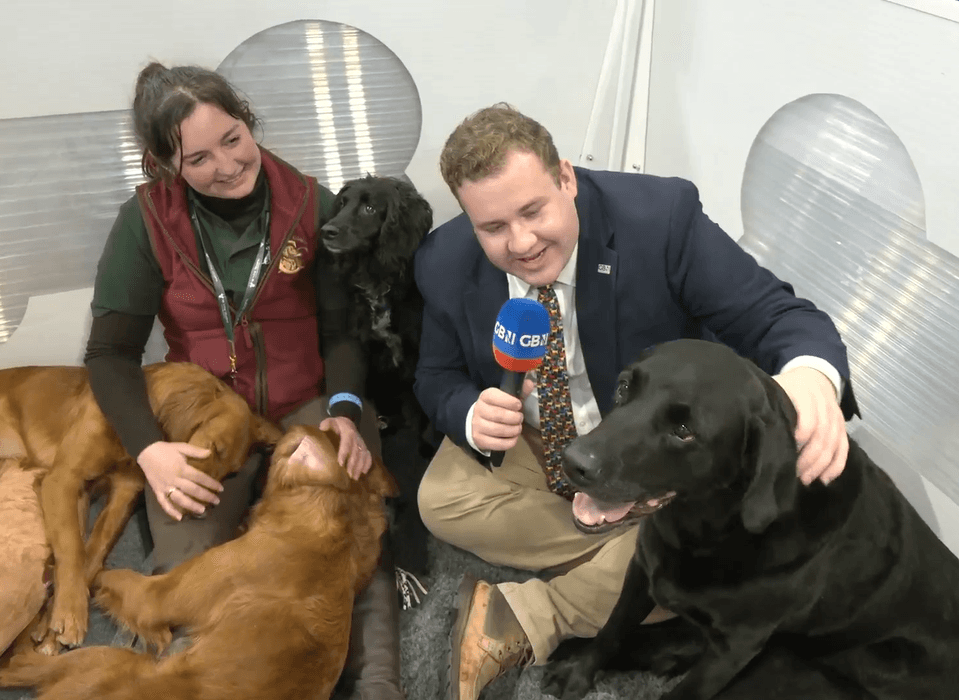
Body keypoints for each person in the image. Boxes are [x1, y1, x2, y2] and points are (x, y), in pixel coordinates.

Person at [413, 103, 861, 700]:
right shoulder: (443, 263)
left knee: (711, 525)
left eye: (533, 211)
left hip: (645, 444)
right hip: (539, 441)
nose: (520, 242)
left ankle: (534, 614)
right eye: (493, 228)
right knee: (438, 501)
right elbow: (435, 375)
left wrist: (811, 380)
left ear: (566, 179)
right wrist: (468, 411)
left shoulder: (661, 220)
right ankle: (642, 552)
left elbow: (781, 318)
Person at [83, 62, 403, 700]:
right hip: (212, 419)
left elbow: (342, 334)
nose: (226, 165)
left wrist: (342, 409)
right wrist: (152, 453)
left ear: (248, 121)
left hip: (311, 401)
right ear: (164, 163)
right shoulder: (144, 221)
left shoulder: (312, 202)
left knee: (351, 541)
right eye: (197, 157)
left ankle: (379, 684)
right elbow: (109, 354)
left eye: (232, 139)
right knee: (188, 576)